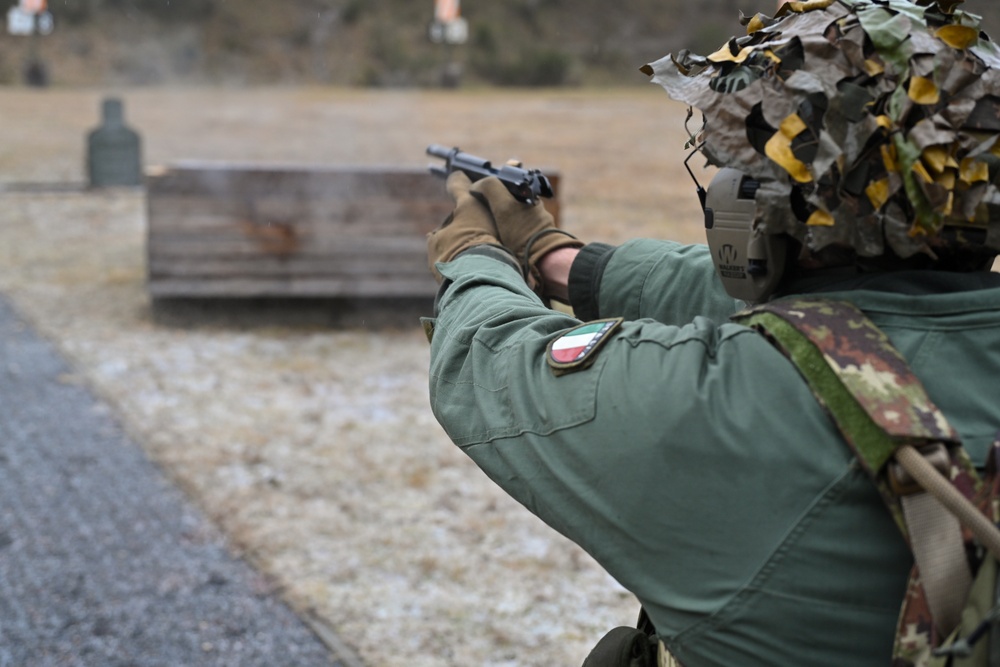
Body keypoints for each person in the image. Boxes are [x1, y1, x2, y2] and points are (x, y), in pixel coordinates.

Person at [424, 0, 1000, 665]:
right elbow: (818, 312)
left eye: (743, 171)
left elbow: (487, 364)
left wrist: (470, 255)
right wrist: (562, 260)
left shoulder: (725, 403)